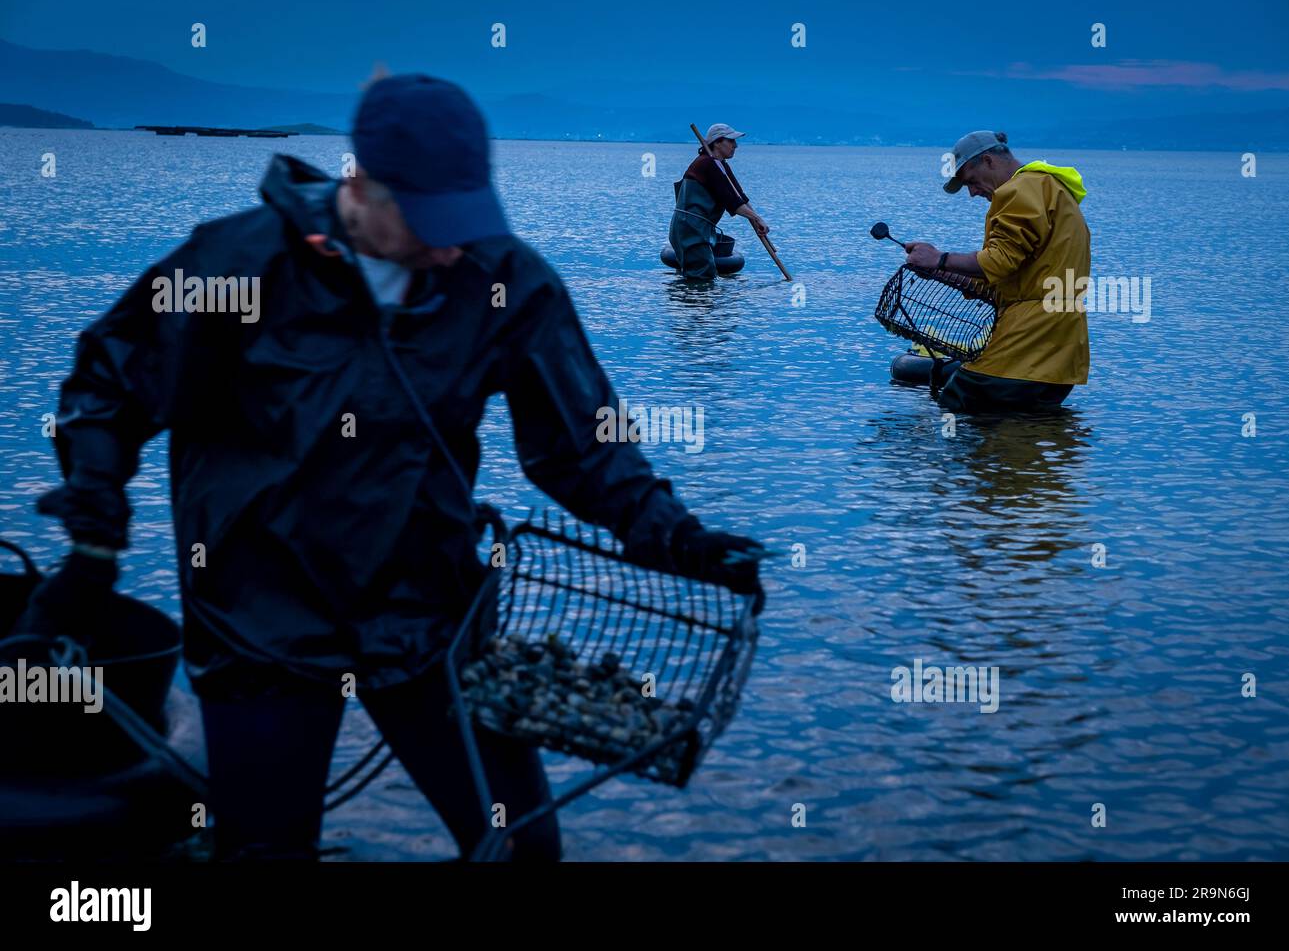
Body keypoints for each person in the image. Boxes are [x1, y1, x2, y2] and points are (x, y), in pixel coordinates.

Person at [22, 74, 764, 861]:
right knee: (264, 853)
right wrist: (95, 518)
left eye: (465, 219)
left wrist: (677, 536)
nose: (451, 245)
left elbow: (584, 445)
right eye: (432, 222)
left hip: (427, 615)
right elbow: (108, 384)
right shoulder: (236, 264)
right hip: (258, 623)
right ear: (362, 187)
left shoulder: (502, 278)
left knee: (521, 845)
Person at [903, 130, 1091, 413]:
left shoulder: (1019, 191)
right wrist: (939, 271)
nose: (972, 192)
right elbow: (1006, 279)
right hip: (1059, 360)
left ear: (989, 161)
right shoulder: (1051, 189)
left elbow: (999, 260)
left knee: (956, 405)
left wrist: (939, 259)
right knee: (1023, 438)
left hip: (1022, 349)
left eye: (971, 181)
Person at [667, 123, 771, 280]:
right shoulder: (707, 164)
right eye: (731, 141)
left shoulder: (721, 165)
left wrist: (756, 220)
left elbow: (739, 196)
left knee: (700, 274)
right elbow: (732, 203)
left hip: (700, 229)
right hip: (689, 229)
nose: (735, 146)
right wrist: (756, 218)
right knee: (701, 277)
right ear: (717, 142)